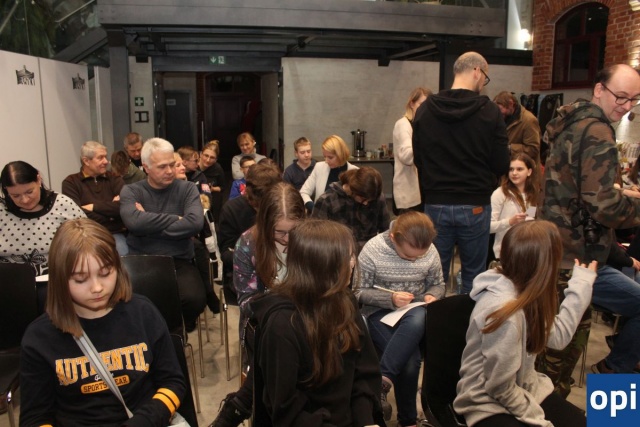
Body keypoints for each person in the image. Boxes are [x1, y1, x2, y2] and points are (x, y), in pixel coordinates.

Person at [19, 218, 186, 427]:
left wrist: (143, 421)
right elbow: (35, 418)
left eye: (106, 273)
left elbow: (173, 382)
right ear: (60, 279)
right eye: (81, 279)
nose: (97, 288)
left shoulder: (143, 313)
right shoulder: (39, 337)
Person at [540, 64, 640, 386]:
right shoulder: (597, 130)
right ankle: (611, 376)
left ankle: (613, 372)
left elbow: (580, 188)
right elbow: (604, 206)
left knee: (554, 356)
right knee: (557, 362)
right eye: (620, 96)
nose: (626, 106)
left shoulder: (572, 120)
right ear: (599, 89)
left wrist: (619, 193)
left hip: (566, 251)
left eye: (634, 99)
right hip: (574, 260)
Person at [453, 220, 596, 427]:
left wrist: (581, 286)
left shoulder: (526, 293)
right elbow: (499, 388)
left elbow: (558, 337)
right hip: (487, 402)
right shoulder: (505, 314)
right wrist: (539, 419)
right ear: (546, 265)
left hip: (524, 387)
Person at [250, 219, 385, 426]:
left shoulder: (345, 300)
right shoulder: (282, 325)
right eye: (348, 257)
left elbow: (363, 371)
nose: (353, 263)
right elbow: (287, 411)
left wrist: (365, 420)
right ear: (323, 265)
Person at [208, 182, 305, 427]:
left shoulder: (312, 239)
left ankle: (239, 405)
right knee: (277, 343)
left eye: (293, 231)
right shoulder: (248, 243)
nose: (287, 239)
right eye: (279, 232)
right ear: (265, 222)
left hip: (306, 319)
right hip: (264, 324)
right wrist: (283, 303)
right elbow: (247, 302)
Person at [412, 51, 510, 294]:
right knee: (474, 276)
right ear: (477, 71)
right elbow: (501, 164)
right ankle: (467, 318)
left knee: (434, 276)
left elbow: (419, 159)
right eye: (485, 77)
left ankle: (434, 317)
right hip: (475, 202)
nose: (483, 83)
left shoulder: (425, 109)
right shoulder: (490, 111)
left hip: (436, 201)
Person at [356, 211, 445, 427]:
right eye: (407, 256)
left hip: (417, 310)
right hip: (379, 312)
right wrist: (390, 299)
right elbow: (358, 292)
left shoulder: (430, 249)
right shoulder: (373, 250)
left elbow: (438, 284)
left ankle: (383, 381)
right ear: (394, 238)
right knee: (410, 361)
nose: (413, 260)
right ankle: (408, 421)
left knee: (418, 315)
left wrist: (433, 295)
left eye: (419, 257)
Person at [120, 137, 206, 331]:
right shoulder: (131, 191)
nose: (169, 171)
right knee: (130, 304)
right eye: (162, 167)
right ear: (146, 167)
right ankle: (162, 334)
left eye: (172, 165)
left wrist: (147, 222)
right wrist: (177, 219)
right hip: (141, 261)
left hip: (179, 260)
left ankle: (172, 333)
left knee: (195, 300)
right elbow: (134, 222)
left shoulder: (187, 189)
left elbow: (195, 223)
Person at [0, 161, 85, 276]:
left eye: (29, 192)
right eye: (16, 196)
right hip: (8, 279)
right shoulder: (2, 209)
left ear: (38, 180)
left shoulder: (62, 205)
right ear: (6, 190)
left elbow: (87, 241)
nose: (25, 200)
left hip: (56, 277)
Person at [216, 163, 283, 285]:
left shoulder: (283, 205)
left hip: (281, 269)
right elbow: (226, 254)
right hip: (245, 273)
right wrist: (258, 259)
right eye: (259, 205)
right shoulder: (231, 209)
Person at [62, 141, 129, 255]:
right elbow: (77, 214)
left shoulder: (114, 178)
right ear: (86, 161)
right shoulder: (71, 183)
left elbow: (125, 206)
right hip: (85, 235)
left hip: (114, 234)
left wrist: (94, 207)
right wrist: (111, 216)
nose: (106, 161)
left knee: (123, 255)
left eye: (105, 157)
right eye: (100, 158)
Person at [312, 167, 390, 251]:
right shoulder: (327, 201)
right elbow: (316, 237)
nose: (366, 203)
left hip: (370, 250)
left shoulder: (377, 197)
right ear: (353, 190)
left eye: (370, 200)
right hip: (339, 251)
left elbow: (386, 231)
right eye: (363, 199)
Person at [490, 153, 538, 260]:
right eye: (511, 169)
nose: (514, 173)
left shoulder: (532, 194)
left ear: (529, 172)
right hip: (505, 251)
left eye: (519, 169)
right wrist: (510, 222)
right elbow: (488, 227)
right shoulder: (500, 193)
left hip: (527, 250)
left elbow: (530, 218)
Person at [393, 87, 431, 213]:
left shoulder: (423, 125)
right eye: (421, 104)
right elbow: (406, 156)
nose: (424, 108)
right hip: (409, 195)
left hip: (424, 190)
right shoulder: (403, 124)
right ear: (412, 104)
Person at [300, 135, 359, 212]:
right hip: (321, 217)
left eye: (330, 157)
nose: (326, 161)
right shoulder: (319, 167)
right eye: (325, 157)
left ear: (340, 155)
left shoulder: (355, 172)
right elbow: (303, 192)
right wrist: (313, 207)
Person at [493, 91, 541, 164]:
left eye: (500, 109)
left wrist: (509, 148)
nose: (498, 113)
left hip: (525, 168)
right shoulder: (503, 118)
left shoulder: (529, 120)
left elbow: (533, 149)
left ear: (511, 104)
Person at [198, 140, 226, 222]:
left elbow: (222, 187)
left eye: (212, 157)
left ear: (216, 159)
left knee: (217, 196)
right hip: (194, 196)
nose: (208, 160)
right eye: (206, 155)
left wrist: (213, 189)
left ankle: (215, 223)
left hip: (211, 198)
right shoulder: (193, 165)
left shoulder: (217, 168)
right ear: (200, 154)